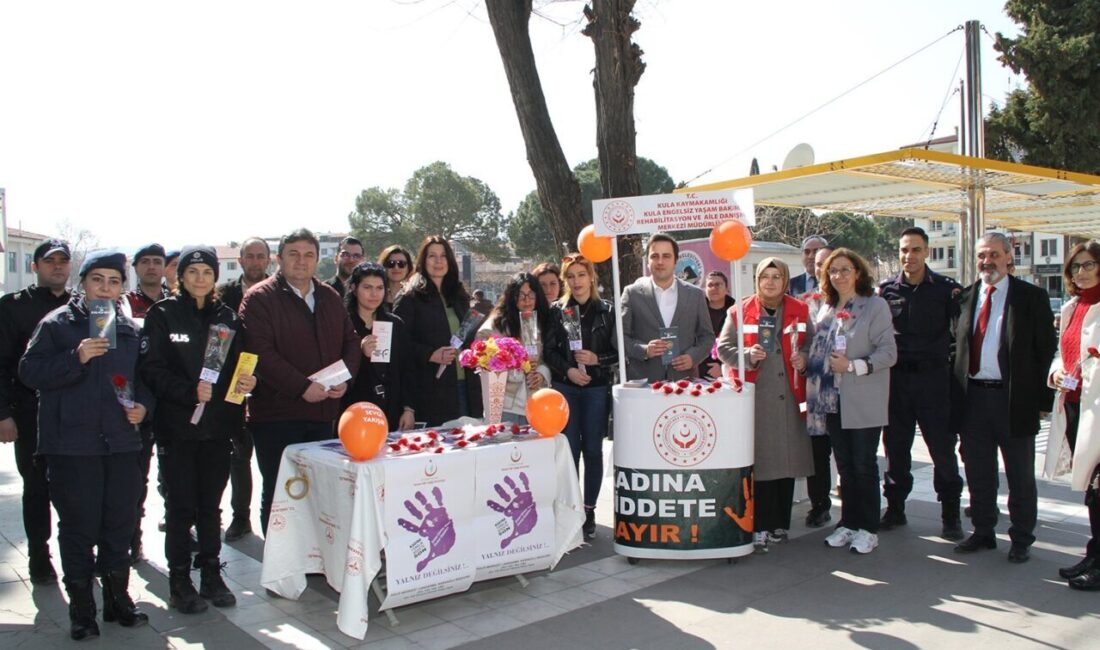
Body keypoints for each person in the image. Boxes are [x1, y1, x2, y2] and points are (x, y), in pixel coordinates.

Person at [20, 251, 152, 640]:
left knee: (120, 523)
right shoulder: (57, 324)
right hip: (72, 447)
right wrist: (74, 357)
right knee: (78, 527)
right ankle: (82, 609)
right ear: (83, 283)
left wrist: (144, 407)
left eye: (114, 281)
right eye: (98, 280)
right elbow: (30, 372)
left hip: (122, 445)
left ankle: (118, 600)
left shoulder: (129, 329)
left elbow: (146, 379)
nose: (106, 289)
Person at [139, 246, 256, 614]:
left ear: (215, 277)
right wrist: (188, 392)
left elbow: (242, 364)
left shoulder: (227, 317)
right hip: (177, 430)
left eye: (207, 272)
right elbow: (151, 369)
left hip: (218, 429)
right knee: (180, 508)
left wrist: (248, 383)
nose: (200, 279)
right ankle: (179, 579)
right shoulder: (163, 315)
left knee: (210, 507)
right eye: (193, 272)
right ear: (180, 277)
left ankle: (210, 572)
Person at [239, 229, 361, 534]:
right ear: (279, 259)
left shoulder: (329, 297)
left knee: (318, 490)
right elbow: (260, 352)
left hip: (322, 415)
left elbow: (351, 341)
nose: (301, 261)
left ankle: (315, 558)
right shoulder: (259, 299)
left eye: (309, 255)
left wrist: (344, 379)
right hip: (277, 416)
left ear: (318, 260)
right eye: (293, 254)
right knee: (283, 491)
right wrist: (301, 387)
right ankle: (280, 564)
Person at [951, 232, 1056, 563]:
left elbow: (1045, 351)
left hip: (1013, 400)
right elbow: (956, 347)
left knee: (1020, 476)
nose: (987, 261)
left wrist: (1042, 402)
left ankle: (1022, 537)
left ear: (1009, 257)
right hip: (974, 401)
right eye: (982, 255)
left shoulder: (1031, 297)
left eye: (994, 255)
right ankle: (983, 531)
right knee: (979, 472)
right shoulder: (966, 297)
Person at [716, 258, 813, 553]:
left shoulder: (799, 309)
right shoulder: (739, 311)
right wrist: (747, 355)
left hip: (790, 396)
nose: (770, 282)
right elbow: (723, 348)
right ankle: (758, 525)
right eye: (765, 277)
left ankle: (780, 523)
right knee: (762, 466)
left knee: (787, 464)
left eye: (777, 277)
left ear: (785, 281)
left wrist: (804, 358)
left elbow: (811, 344)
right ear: (756, 280)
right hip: (757, 398)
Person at [806, 248, 897, 555]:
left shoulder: (875, 305)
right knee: (845, 466)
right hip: (831, 399)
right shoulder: (826, 308)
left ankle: (868, 528)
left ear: (858, 272)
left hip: (863, 397)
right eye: (833, 271)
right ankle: (849, 522)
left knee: (863, 464)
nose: (839, 276)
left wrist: (854, 366)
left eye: (845, 269)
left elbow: (889, 353)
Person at [877, 227, 965, 541]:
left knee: (942, 449)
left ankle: (950, 514)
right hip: (897, 380)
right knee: (896, 448)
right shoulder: (886, 291)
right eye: (904, 250)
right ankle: (895, 509)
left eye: (915, 250)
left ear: (926, 252)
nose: (908, 256)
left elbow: (960, 335)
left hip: (933, 381)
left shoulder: (945, 289)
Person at [0, 239, 71, 585]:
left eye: (63, 261)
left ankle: (80, 554)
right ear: (35, 266)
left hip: (76, 415)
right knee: (37, 488)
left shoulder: (83, 306)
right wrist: (3, 414)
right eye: (49, 261)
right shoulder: (13, 307)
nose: (57, 267)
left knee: (76, 489)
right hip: (30, 413)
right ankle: (39, 557)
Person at [544, 254, 618, 539]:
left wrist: (597, 358)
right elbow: (549, 352)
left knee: (592, 451)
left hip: (597, 389)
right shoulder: (557, 311)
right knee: (570, 450)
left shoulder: (607, 311)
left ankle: (589, 510)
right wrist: (569, 371)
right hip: (567, 388)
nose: (576, 281)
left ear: (591, 277)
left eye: (581, 275)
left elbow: (617, 353)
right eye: (570, 276)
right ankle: (571, 508)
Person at [1046, 241, 1100, 589]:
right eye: (1076, 266)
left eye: (1089, 264)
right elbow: (1065, 353)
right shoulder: (1072, 307)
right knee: (1092, 492)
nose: (1081, 272)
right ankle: (1095, 553)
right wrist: (1055, 372)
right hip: (1076, 406)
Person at [215, 236, 270, 542]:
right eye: (249, 256)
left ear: (269, 260)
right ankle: (240, 516)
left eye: (260, 256)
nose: (255, 261)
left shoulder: (279, 292)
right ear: (240, 260)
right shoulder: (224, 295)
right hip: (233, 383)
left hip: (270, 380)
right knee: (239, 455)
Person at [394, 236, 482, 426]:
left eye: (443, 256)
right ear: (422, 261)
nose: (438, 261)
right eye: (432, 256)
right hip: (431, 392)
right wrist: (429, 354)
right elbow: (399, 345)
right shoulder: (409, 297)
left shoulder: (459, 296)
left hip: (466, 387)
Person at [125, 243, 172, 563]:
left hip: (172, 402)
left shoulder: (175, 303)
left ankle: (181, 529)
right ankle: (131, 539)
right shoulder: (123, 304)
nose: (152, 267)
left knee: (173, 476)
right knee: (134, 478)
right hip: (138, 403)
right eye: (146, 262)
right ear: (136, 267)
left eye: (158, 262)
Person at [621, 233, 715, 381]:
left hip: (684, 382)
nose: (660, 261)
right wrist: (644, 350)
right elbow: (619, 337)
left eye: (666, 256)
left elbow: (707, 337)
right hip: (644, 384)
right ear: (647, 261)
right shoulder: (632, 294)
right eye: (654, 256)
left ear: (675, 261)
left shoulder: (695, 295)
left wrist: (693, 357)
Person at [342, 262, 416, 431]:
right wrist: (358, 352)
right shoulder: (342, 323)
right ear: (354, 288)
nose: (374, 294)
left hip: (391, 410)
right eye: (367, 287)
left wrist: (408, 409)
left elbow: (407, 370)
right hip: (354, 412)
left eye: (379, 288)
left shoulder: (395, 324)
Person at [476, 272, 552, 424]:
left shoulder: (542, 322)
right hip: (506, 405)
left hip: (534, 402)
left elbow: (548, 358)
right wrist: (515, 366)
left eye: (531, 295)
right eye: (520, 295)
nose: (526, 301)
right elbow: (483, 364)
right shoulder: (496, 325)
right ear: (512, 297)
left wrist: (542, 374)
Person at [804, 244, 835, 527]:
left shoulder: (852, 301)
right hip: (814, 390)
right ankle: (819, 505)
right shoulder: (805, 302)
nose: (820, 266)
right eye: (816, 263)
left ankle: (857, 511)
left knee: (851, 455)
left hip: (844, 387)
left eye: (826, 262)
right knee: (817, 454)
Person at [701, 271, 735, 380]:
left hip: (729, 373)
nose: (714, 288)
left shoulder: (736, 312)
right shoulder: (696, 311)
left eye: (718, 284)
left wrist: (722, 366)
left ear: (726, 289)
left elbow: (741, 344)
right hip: (698, 372)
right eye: (710, 285)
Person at [378, 244, 414, 309]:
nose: (396, 268)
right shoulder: (376, 295)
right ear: (384, 266)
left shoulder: (415, 297)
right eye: (390, 263)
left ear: (408, 268)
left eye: (401, 264)